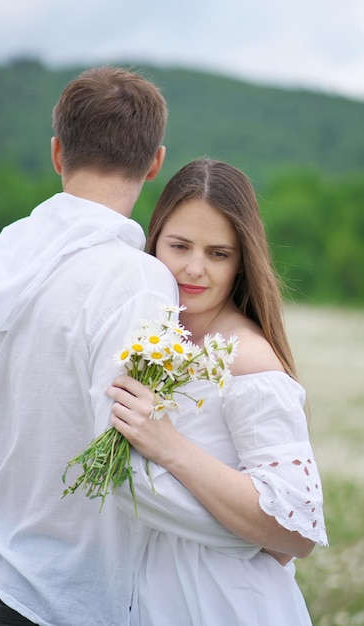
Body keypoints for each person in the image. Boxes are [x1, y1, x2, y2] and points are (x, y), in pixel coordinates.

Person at [0, 65, 182, 626]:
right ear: (155, 162)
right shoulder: (139, 281)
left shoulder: (4, 258)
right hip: (70, 599)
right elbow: (136, 465)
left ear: (58, 153)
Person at [106, 158, 328, 625]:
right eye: (180, 245)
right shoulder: (153, 334)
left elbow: (296, 532)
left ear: (242, 261)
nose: (194, 268)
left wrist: (170, 447)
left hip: (224, 604)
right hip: (145, 594)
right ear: (154, 240)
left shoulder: (247, 358)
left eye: (219, 253)